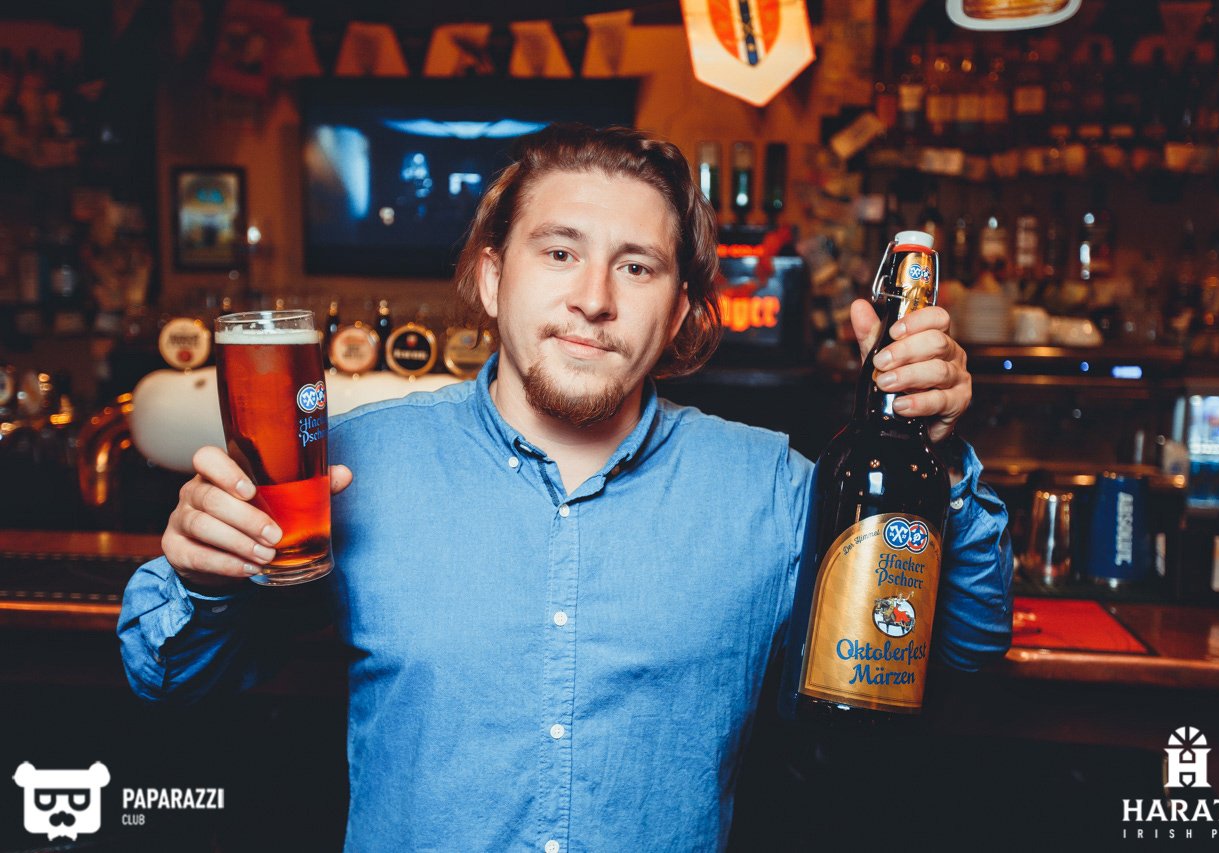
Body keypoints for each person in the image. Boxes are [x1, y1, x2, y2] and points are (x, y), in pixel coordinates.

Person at [118, 124, 1012, 852]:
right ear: (491, 275)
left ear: (682, 312)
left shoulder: (771, 485)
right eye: (558, 251)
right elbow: (165, 673)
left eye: (637, 266)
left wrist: (933, 456)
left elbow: (965, 645)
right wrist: (202, 577)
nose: (594, 298)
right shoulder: (352, 467)